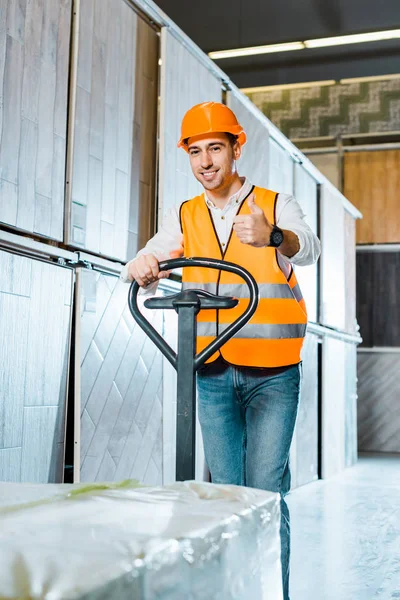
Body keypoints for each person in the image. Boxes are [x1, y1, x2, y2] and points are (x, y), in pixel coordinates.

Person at [121, 101, 320, 600]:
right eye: (196, 151)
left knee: (266, 491)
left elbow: (311, 248)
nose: (206, 161)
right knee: (224, 495)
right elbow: (155, 253)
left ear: (235, 149)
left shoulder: (275, 203)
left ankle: (274, 593)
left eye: (215, 148)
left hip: (274, 374)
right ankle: (235, 592)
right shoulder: (184, 214)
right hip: (211, 371)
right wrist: (144, 262)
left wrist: (274, 236)